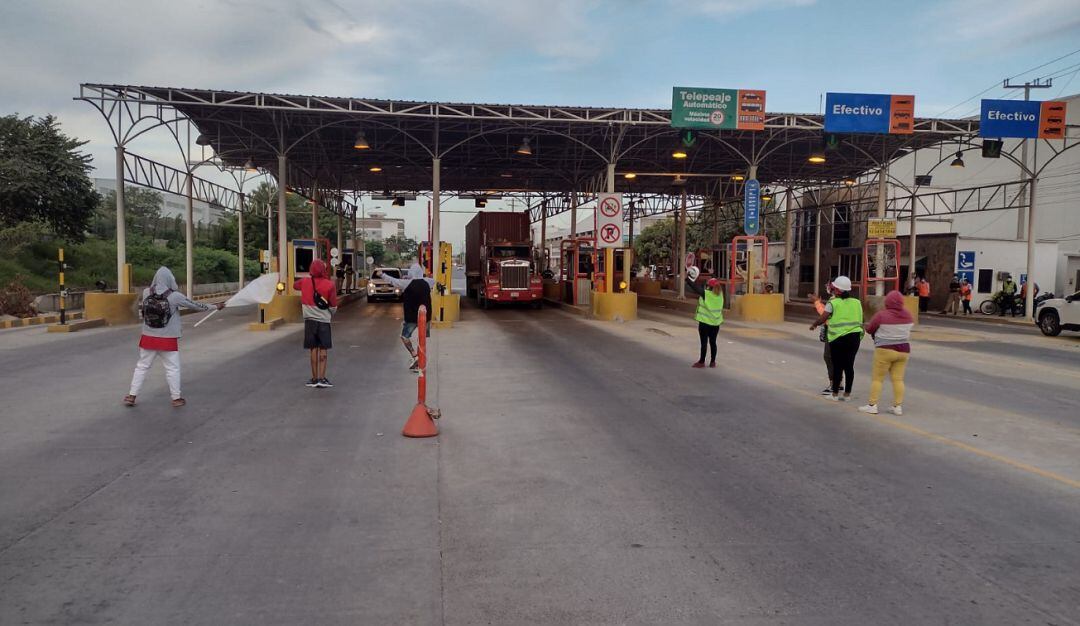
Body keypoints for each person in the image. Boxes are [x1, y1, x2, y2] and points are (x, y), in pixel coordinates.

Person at [124, 266, 223, 408]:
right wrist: (215, 307)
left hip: (148, 337)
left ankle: (132, 396)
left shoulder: (146, 293)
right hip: (168, 339)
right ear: (170, 279)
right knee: (172, 368)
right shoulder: (175, 296)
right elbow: (196, 306)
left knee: (142, 366)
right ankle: (176, 398)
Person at [859, 290, 913, 416]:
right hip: (904, 351)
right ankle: (897, 406)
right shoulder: (908, 315)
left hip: (884, 350)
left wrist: (867, 327)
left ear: (887, 302)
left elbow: (871, 329)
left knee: (877, 379)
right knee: (898, 379)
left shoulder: (881, 315)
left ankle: (872, 405)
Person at [809, 275, 863, 402]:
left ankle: (834, 394)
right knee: (849, 366)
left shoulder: (833, 303)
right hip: (854, 338)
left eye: (833, 287)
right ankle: (847, 394)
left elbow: (823, 318)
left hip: (837, 338)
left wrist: (814, 324)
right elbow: (861, 320)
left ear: (837, 290)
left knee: (837, 365)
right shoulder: (857, 302)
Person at [376, 263, 436, 371]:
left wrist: (382, 274)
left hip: (412, 317)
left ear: (411, 272)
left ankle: (415, 356)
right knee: (422, 339)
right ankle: (421, 360)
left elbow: (393, 281)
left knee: (405, 337)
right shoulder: (428, 282)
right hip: (426, 317)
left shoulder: (406, 284)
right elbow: (430, 280)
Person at [294, 259, 338, 388]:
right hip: (324, 321)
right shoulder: (330, 285)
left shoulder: (305, 282)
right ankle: (322, 378)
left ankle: (314, 378)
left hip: (310, 321)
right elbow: (334, 305)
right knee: (323, 349)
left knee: (313, 349)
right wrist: (329, 314)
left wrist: (308, 278)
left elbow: (294, 285)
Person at [686, 273, 724, 368]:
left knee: (704, 343)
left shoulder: (706, 294)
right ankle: (713, 362)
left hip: (705, 323)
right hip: (715, 324)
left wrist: (687, 278)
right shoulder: (720, 296)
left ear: (709, 287)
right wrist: (712, 273)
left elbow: (694, 287)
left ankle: (701, 362)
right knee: (713, 342)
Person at [811, 284, 835, 395]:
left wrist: (816, 302)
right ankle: (839, 384)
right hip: (846, 334)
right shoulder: (851, 301)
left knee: (829, 358)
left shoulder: (834, 300)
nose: (827, 287)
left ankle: (834, 385)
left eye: (829, 285)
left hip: (833, 333)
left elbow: (824, 314)